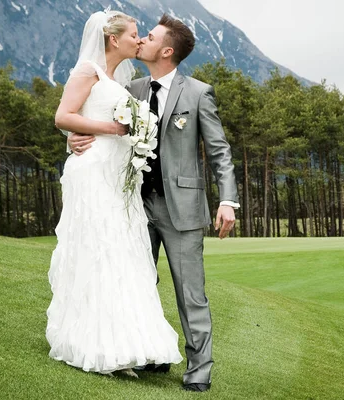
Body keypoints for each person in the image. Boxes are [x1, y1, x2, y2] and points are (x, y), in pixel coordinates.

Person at [69, 15, 239, 392]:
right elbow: (103, 124)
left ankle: (198, 370)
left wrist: (228, 200)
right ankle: (153, 354)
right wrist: (74, 138)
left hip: (182, 210)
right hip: (131, 205)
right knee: (138, 282)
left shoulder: (197, 93)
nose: (141, 40)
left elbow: (219, 151)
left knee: (190, 294)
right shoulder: (130, 88)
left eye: (150, 37)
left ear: (166, 51)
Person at [46, 9, 182, 378]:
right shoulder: (87, 70)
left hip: (119, 178)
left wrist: (135, 135)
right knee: (98, 250)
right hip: (93, 174)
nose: (139, 40)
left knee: (123, 255)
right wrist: (113, 129)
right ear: (113, 38)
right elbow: (63, 116)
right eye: (134, 34)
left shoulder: (121, 78)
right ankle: (97, 344)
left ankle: (127, 342)